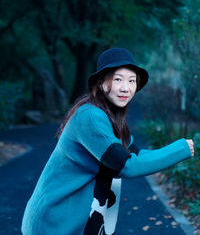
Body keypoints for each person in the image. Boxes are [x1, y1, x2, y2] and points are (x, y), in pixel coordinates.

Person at [21, 47, 194, 235]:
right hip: (54, 220)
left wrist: (181, 148)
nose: (125, 88)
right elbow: (128, 165)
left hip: (77, 218)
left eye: (132, 81)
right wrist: (181, 149)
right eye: (117, 79)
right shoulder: (90, 117)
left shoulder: (112, 119)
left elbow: (136, 154)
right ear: (101, 83)